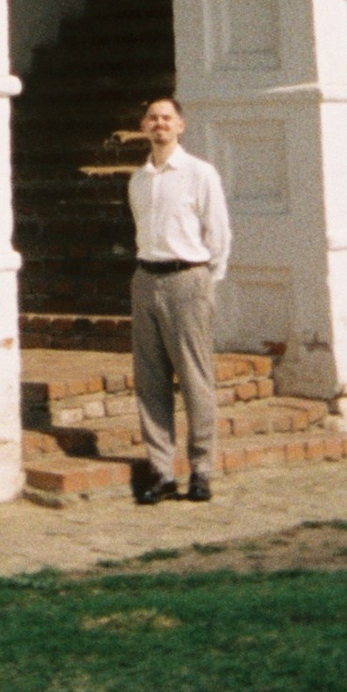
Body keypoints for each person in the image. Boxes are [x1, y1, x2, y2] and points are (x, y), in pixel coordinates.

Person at [126, 95, 230, 505]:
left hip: (188, 278)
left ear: (180, 126)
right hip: (146, 278)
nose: (160, 124)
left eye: (167, 118)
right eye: (152, 118)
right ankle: (162, 471)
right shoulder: (138, 179)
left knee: (195, 379)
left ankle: (201, 470)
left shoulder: (200, 173)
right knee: (151, 381)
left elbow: (218, 232)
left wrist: (206, 279)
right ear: (143, 126)